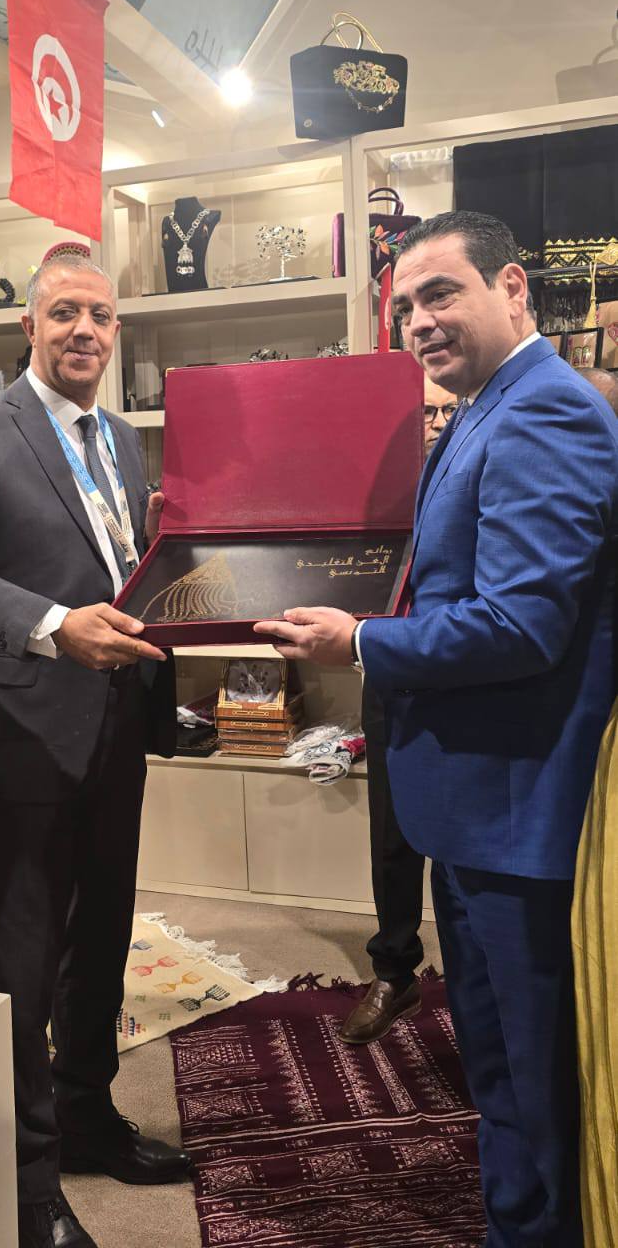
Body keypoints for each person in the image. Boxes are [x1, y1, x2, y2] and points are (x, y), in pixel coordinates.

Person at [256, 210, 618, 1248]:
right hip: (473, 806)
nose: (416, 320)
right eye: (403, 306)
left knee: (534, 1073)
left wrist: (362, 641)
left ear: (512, 287)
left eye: (439, 293)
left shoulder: (542, 411)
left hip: (519, 810)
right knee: (497, 1062)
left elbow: (520, 625)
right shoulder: (484, 407)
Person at [0, 255, 192, 1248]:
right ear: (29, 325)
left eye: (100, 314)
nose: (84, 330)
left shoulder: (121, 437)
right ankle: (28, 1184)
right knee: (24, 957)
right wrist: (54, 624)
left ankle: (86, 1116)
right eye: (64, 312)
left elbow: (113, 560)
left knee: (102, 933)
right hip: (24, 728)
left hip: (118, 723)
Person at [340, 376, 457, 1046]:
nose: (435, 422)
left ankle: (473, 973)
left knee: (463, 829)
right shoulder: (380, 491)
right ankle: (393, 971)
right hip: (388, 665)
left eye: (447, 409)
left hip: (463, 672)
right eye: (424, 412)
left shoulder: (481, 474)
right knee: (392, 830)